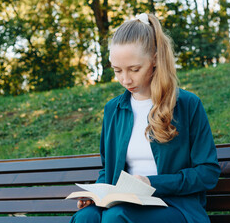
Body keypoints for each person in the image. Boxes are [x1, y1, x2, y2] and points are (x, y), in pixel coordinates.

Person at [69, 13, 220, 223]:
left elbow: (207, 172)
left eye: (134, 69)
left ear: (155, 59)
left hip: (176, 206)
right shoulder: (113, 109)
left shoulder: (187, 104)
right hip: (124, 204)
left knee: (116, 217)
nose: (125, 79)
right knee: (85, 218)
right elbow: (108, 168)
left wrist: (152, 183)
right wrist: (96, 194)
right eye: (117, 71)